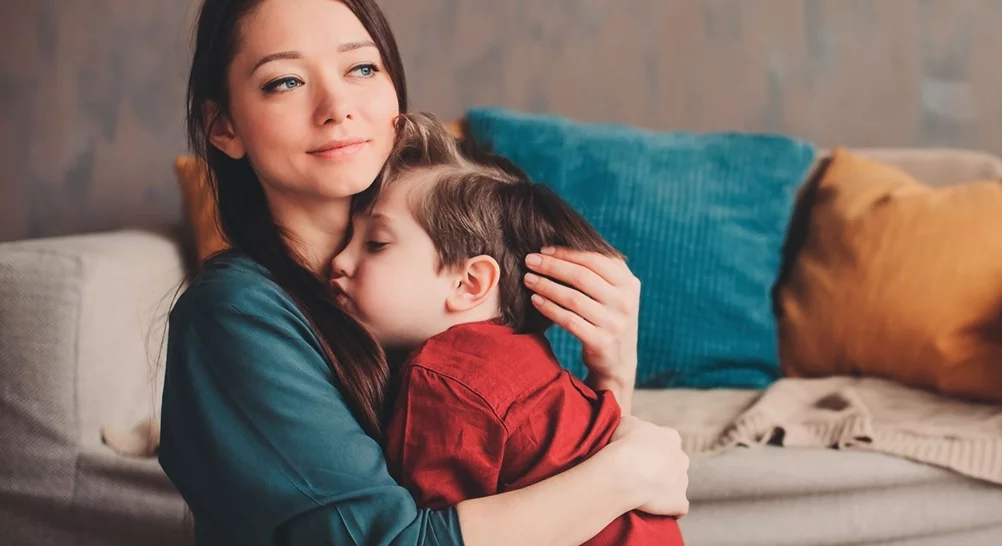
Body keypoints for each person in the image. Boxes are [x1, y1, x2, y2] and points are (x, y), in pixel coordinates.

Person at [158, 0, 690, 545]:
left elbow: (543, 475)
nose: (337, 106)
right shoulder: (235, 313)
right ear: (222, 125)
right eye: (285, 81)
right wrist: (624, 473)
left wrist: (613, 374)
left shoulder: (429, 279)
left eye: (361, 68)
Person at [329, 112, 685, 545]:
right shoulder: (528, 358)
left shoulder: (444, 376)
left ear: (469, 282)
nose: (339, 261)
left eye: (376, 244)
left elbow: (425, 532)